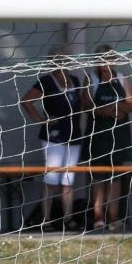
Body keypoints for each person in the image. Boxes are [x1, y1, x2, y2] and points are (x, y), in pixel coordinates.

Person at [20, 58, 91, 231]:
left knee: (68, 180)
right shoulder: (46, 81)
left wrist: (87, 88)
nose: (62, 65)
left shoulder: (74, 80)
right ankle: (46, 219)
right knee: (51, 179)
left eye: (66, 61)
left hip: (73, 136)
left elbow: (81, 106)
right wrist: (41, 121)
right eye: (59, 62)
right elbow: (26, 101)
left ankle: (68, 219)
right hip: (53, 136)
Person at [87, 47, 132, 232]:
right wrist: (109, 110)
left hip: (119, 134)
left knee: (116, 176)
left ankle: (114, 217)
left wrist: (117, 108)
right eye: (104, 59)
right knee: (98, 176)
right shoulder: (91, 79)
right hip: (98, 134)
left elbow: (131, 105)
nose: (108, 62)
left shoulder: (122, 78)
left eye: (111, 58)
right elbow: (87, 105)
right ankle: (98, 217)